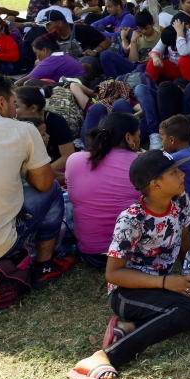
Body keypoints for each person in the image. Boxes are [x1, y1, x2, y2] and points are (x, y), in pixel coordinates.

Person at [67, 150, 190, 379]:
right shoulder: (131, 219)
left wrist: (188, 272)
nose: (182, 174)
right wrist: (166, 283)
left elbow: (184, 237)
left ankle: (128, 327)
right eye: (174, 172)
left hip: (163, 283)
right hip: (127, 292)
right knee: (187, 312)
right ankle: (104, 357)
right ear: (156, 184)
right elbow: (113, 274)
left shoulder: (180, 199)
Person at [0, 75, 69, 288]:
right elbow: (42, 184)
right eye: (14, 104)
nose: (15, 111)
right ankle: (44, 267)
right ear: (1, 102)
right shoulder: (22, 129)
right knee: (51, 189)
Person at [64, 112, 142, 271]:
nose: (139, 140)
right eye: (138, 135)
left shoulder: (74, 160)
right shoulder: (141, 163)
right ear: (128, 138)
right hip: (136, 256)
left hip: (92, 256)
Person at [13, 85, 76, 180]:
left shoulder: (56, 122)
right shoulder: (15, 123)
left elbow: (68, 156)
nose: (12, 110)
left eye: (16, 106)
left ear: (33, 108)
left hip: (57, 167)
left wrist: (42, 171)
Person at [146, 18, 190, 83]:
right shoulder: (169, 34)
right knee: (152, 62)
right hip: (177, 69)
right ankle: (146, 88)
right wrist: (155, 57)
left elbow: (183, 52)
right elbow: (156, 50)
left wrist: (180, 34)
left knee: (183, 59)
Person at [102, 10, 160, 78]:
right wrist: (133, 41)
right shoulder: (137, 36)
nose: (144, 31)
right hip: (136, 67)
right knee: (105, 55)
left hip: (149, 68)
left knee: (141, 68)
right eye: (141, 28)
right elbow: (133, 61)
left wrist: (152, 60)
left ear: (153, 23)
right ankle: (113, 82)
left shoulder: (161, 37)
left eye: (146, 28)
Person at [21, 33, 86, 83]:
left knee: (31, 83)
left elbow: (26, 80)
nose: (36, 56)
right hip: (75, 85)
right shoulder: (61, 56)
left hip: (73, 87)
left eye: (36, 53)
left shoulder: (52, 60)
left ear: (44, 50)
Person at [44, 10, 111, 58]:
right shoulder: (51, 36)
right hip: (64, 64)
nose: (46, 28)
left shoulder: (82, 29)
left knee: (85, 64)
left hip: (85, 60)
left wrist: (95, 51)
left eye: (48, 25)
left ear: (59, 23)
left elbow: (107, 41)